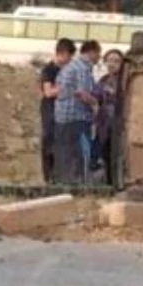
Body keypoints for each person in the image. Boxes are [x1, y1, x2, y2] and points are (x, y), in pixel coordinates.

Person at [53, 40, 102, 184]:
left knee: (64, 153)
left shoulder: (70, 66)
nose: (99, 57)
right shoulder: (82, 68)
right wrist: (95, 103)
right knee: (77, 154)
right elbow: (81, 93)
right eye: (98, 53)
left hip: (62, 116)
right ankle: (75, 184)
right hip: (76, 117)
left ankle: (63, 182)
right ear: (91, 52)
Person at [39, 38, 77, 183]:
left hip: (65, 111)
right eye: (68, 56)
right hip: (50, 109)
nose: (70, 60)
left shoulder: (67, 71)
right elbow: (48, 92)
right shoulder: (49, 70)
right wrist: (65, 88)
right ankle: (48, 177)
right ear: (61, 53)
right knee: (49, 141)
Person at [93, 48, 125, 182]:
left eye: (116, 61)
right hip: (104, 124)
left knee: (118, 155)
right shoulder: (103, 81)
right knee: (105, 154)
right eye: (109, 61)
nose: (112, 64)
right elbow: (96, 99)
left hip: (120, 124)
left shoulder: (125, 81)